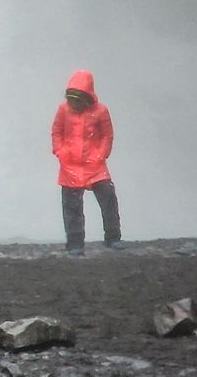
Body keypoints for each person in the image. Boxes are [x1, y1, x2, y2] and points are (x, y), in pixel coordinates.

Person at [51, 69, 124, 256]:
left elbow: (107, 135)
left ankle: (113, 237)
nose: (73, 103)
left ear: (86, 98)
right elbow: (57, 131)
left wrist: (101, 155)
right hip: (70, 164)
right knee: (71, 205)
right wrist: (60, 152)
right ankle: (75, 243)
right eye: (71, 99)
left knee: (108, 198)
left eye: (77, 99)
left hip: (94, 164)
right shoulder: (63, 110)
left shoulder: (101, 111)